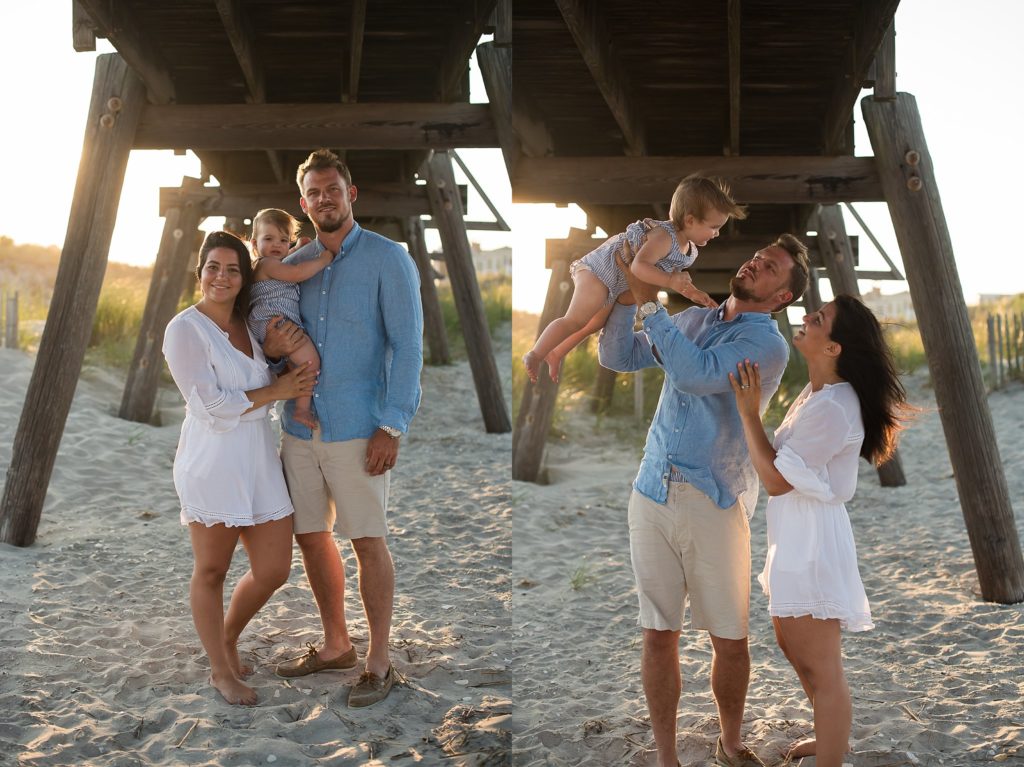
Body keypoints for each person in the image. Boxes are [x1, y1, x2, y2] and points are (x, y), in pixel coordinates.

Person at [598, 234, 811, 767]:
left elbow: (693, 376)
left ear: (781, 298)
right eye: (759, 257)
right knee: (657, 634)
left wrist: (651, 299)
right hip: (651, 489)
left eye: (770, 269)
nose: (755, 264)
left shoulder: (768, 346)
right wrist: (627, 295)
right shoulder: (693, 318)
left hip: (715, 499)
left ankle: (731, 744)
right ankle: (666, 757)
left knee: (730, 639)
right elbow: (618, 355)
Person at [261, 148, 424, 708]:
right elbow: (271, 335)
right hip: (301, 429)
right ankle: (336, 645)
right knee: (311, 538)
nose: (324, 199)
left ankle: (379, 661)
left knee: (367, 542)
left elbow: (407, 348)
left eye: (333, 189)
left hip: (360, 427)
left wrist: (392, 425)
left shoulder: (388, 258)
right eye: (313, 192)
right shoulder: (294, 264)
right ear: (301, 203)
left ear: (351, 194)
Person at [729, 295, 908, 767]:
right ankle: (830, 737)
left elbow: (775, 480)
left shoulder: (833, 406)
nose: (807, 318)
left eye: (819, 319)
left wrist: (748, 413)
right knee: (796, 649)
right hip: (795, 533)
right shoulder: (819, 395)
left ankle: (832, 756)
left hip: (811, 539)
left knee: (823, 668)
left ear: (834, 348)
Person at [162, 231, 317, 706]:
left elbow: (258, 381)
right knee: (211, 570)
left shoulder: (248, 327)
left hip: (257, 458)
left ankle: (227, 638)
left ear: (243, 277)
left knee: (273, 569)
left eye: (232, 269)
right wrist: (278, 390)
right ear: (200, 272)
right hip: (214, 460)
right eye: (213, 267)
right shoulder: (184, 329)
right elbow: (210, 406)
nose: (222, 277)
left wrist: (276, 360)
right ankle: (219, 671)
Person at [522, 174, 747, 384]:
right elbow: (639, 266)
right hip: (599, 271)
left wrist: (694, 293)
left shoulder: (688, 248)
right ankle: (535, 354)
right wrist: (669, 281)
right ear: (690, 220)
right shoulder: (664, 237)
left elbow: (672, 279)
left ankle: (556, 353)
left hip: (615, 281)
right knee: (575, 320)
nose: (717, 233)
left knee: (595, 323)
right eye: (714, 227)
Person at [247, 207, 332, 429]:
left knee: (297, 365)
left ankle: (300, 403)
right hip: (279, 324)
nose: (276, 245)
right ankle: (302, 410)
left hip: (265, 325)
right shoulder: (267, 264)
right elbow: (296, 273)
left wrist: (297, 249)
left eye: (283, 240)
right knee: (311, 362)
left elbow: (286, 263)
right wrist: (323, 260)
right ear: (254, 245)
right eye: (269, 238)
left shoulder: (264, 265)